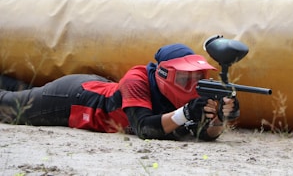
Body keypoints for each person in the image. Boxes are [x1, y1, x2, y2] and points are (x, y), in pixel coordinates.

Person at [0, 43, 239, 141]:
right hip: (73, 100)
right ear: (165, 74)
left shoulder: (194, 94)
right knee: (7, 106)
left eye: (199, 76)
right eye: (186, 76)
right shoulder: (136, 79)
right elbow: (144, 128)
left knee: (22, 90)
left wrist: (219, 117)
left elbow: (204, 135)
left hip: (91, 87)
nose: (194, 82)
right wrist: (186, 112)